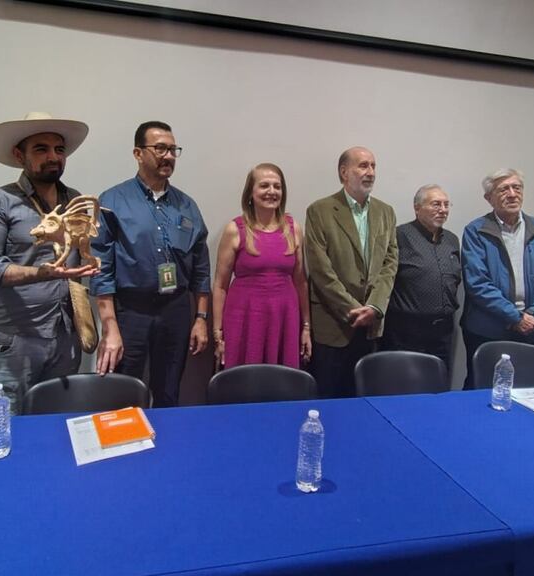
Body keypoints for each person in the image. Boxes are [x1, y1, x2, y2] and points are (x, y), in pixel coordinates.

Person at [0, 112, 98, 412]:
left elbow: (83, 251)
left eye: (59, 149)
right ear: (20, 155)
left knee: (58, 418)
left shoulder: (75, 201)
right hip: (16, 339)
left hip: (65, 334)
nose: (53, 157)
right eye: (41, 149)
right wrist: (41, 273)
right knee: (11, 419)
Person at [91, 121, 211, 407]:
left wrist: (200, 318)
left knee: (169, 390)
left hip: (176, 310)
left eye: (172, 150)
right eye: (160, 149)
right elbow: (100, 268)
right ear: (138, 153)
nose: (168, 156)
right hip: (131, 310)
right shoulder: (112, 201)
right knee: (123, 391)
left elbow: (201, 267)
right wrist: (109, 326)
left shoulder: (187, 206)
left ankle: (165, 436)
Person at [460, 168, 534, 388]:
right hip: (488, 330)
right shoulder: (476, 231)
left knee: (527, 390)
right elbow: (478, 283)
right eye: (504, 189)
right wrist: (514, 317)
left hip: (531, 327)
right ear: (489, 198)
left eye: (516, 188)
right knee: (483, 390)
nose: (512, 194)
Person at [304, 147, 398, 398]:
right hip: (334, 324)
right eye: (363, 165)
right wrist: (352, 308)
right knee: (329, 399)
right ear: (344, 172)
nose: (371, 172)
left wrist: (375, 307)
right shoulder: (320, 210)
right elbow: (320, 269)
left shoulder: (386, 212)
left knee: (365, 399)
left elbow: (390, 263)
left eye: (373, 166)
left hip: (372, 326)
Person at [211, 163, 311, 370]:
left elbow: (301, 282)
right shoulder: (235, 229)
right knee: (243, 378)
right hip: (244, 317)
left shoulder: (293, 228)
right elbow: (220, 286)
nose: (271, 191)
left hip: (285, 317)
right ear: (250, 192)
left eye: (277, 186)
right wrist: (218, 333)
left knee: (283, 378)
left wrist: (306, 327)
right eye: (264, 185)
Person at [382, 184, 461, 373]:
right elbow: (383, 277)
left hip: (443, 332)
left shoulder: (452, 240)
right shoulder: (399, 236)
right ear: (417, 208)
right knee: (402, 384)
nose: (443, 210)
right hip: (405, 332)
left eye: (446, 204)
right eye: (436, 204)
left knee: (438, 383)